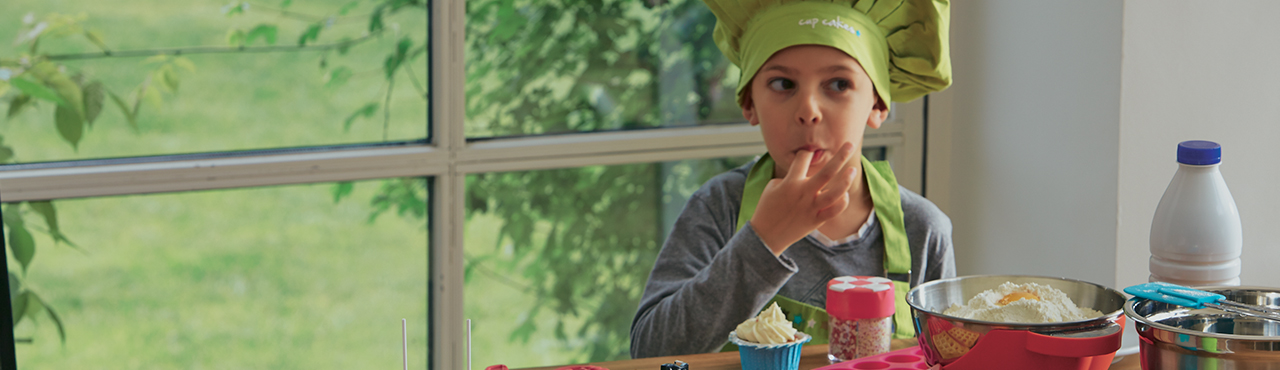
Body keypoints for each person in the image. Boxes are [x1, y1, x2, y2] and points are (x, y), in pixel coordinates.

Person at [630, 0, 955, 358]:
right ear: (749, 102)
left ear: (878, 104)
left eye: (838, 83)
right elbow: (650, 352)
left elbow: (949, 358)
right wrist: (764, 239)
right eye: (783, 83)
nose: (808, 111)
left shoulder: (922, 231)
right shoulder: (719, 207)